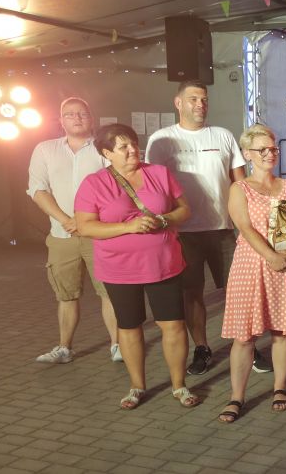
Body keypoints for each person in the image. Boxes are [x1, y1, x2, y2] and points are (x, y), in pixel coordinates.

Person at [75, 123, 200, 410]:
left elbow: (184, 210)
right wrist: (128, 227)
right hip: (119, 269)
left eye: (134, 143)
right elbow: (85, 226)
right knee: (129, 326)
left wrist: (164, 220)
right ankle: (137, 386)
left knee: (173, 325)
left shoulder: (159, 173)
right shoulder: (94, 184)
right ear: (107, 153)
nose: (133, 150)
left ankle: (179, 385)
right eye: (123, 147)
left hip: (163, 264)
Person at [145, 80, 256, 376]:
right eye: (193, 98)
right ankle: (202, 347)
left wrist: (247, 222)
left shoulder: (222, 135)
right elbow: (153, 186)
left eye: (204, 99)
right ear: (178, 103)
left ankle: (246, 345)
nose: (200, 104)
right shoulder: (161, 139)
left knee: (239, 291)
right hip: (183, 233)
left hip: (223, 229)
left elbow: (240, 183)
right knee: (192, 293)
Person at [217, 124, 286, 423]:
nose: (270, 153)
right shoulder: (239, 188)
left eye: (273, 148)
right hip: (251, 266)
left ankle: (280, 387)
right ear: (247, 154)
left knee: (282, 332)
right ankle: (237, 396)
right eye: (262, 149)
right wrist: (271, 256)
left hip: (284, 265)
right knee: (244, 336)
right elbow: (244, 228)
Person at [27, 97, 119, 364]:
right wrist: (66, 220)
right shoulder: (45, 150)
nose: (76, 118)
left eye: (82, 113)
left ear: (91, 118)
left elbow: (116, 187)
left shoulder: (104, 149)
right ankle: (64, 348)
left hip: (98, 235)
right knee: (66, 295)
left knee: (109, 292)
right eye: (70, 114)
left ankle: (117, 346)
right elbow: (38, 189)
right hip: (62, 236)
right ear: (60, 120)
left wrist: (86, 222)